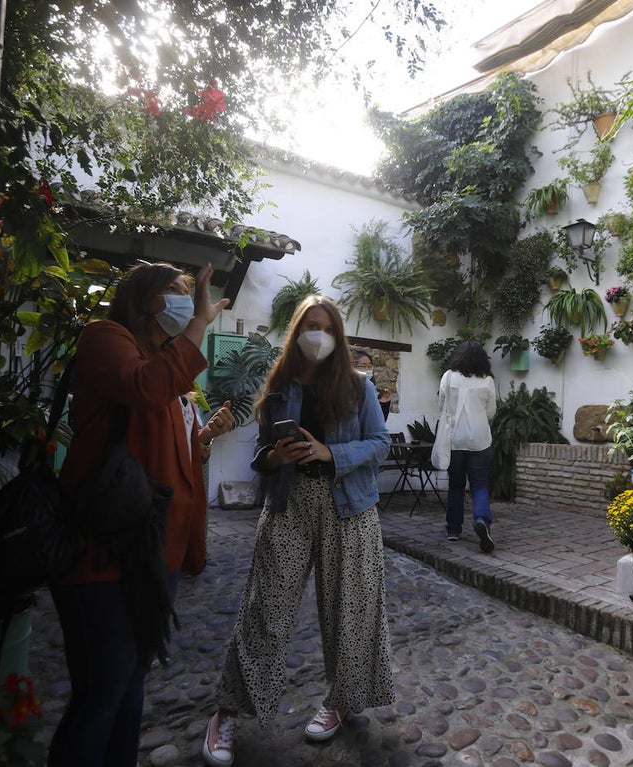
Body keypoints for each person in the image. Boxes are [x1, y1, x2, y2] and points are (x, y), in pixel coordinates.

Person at [49, 262, 235, 767]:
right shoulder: (106, 337)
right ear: (139, 300)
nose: (184, 301)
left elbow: (167, 449)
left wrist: (204, 440)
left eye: (186, 292)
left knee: (132, 679)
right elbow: (144, 389)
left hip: (158, 553)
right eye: (172, 292)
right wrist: (199, 322)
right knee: (103, 687)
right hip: (106, 548)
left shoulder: (167, 362)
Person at [202, 296, 394, 766]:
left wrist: (333, 454)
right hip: (288, 505)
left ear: (339, 335)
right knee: (265, 609)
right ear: (297, 331)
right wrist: (274, 458)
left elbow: (380, 442)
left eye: (327, 328)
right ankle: (226, 712)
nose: (319, 335)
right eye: (311, 326)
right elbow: (261, 455)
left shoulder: (357, 386)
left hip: (348, 507)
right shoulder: (281, 384)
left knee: (350, 610)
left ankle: (341, 699)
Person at [438, 340, 497, 552]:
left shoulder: (448, 376)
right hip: (479, 439)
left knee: (456, 485)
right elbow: (491, 412)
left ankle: (453, 529)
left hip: (454, 439)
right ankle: (482, 520)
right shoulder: (487, 380)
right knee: (480, 485)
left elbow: (441, 404)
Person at [350, 346, 392, 420]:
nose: (367, 369)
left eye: (370, 366)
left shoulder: (371, 389)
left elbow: (378, 423)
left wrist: (384, 404)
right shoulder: (345, 390)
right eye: (363, 366)